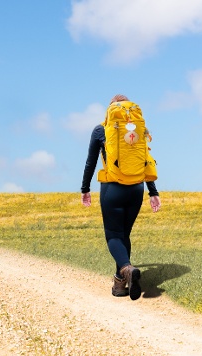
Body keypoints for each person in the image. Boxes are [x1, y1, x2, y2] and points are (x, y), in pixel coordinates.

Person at [80, 94, 161, 298]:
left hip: (112, 188)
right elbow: (145, 159)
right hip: (136, 188)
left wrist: (85, 189)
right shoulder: (138, 128)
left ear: (110, 110)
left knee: (114, 236)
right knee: (124, 235)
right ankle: (119, 284)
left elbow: (90, 162)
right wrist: (153, 191)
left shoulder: (101, 129)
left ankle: (126, 268)